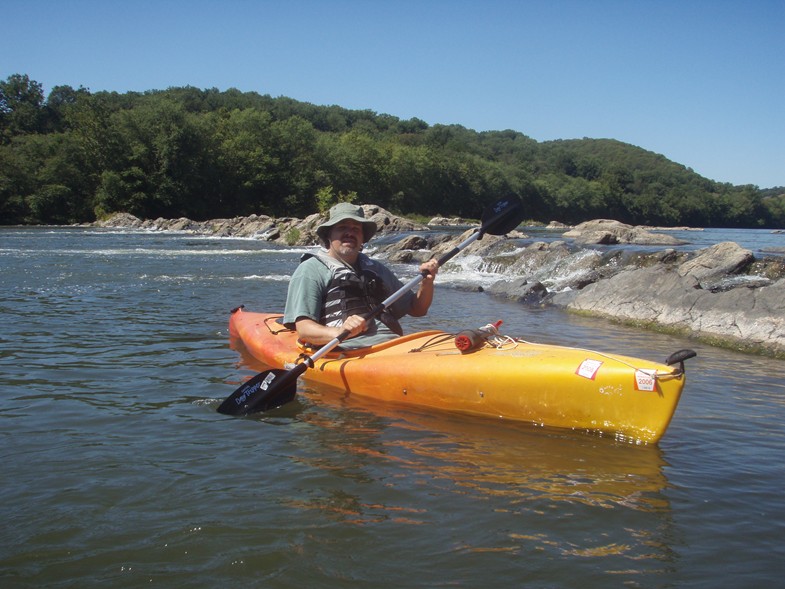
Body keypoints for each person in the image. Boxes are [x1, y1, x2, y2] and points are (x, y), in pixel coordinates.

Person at [283, 202, 439, 350]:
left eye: (356, 229)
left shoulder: (376, 269)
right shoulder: (311, 270)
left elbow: (417, 309)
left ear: (362, 237)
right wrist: (339, 331)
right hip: (349, 349)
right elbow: (304, 329)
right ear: (329, 235)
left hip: (393, 345)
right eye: (342, 227)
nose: (350, 233)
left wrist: (426, 283)